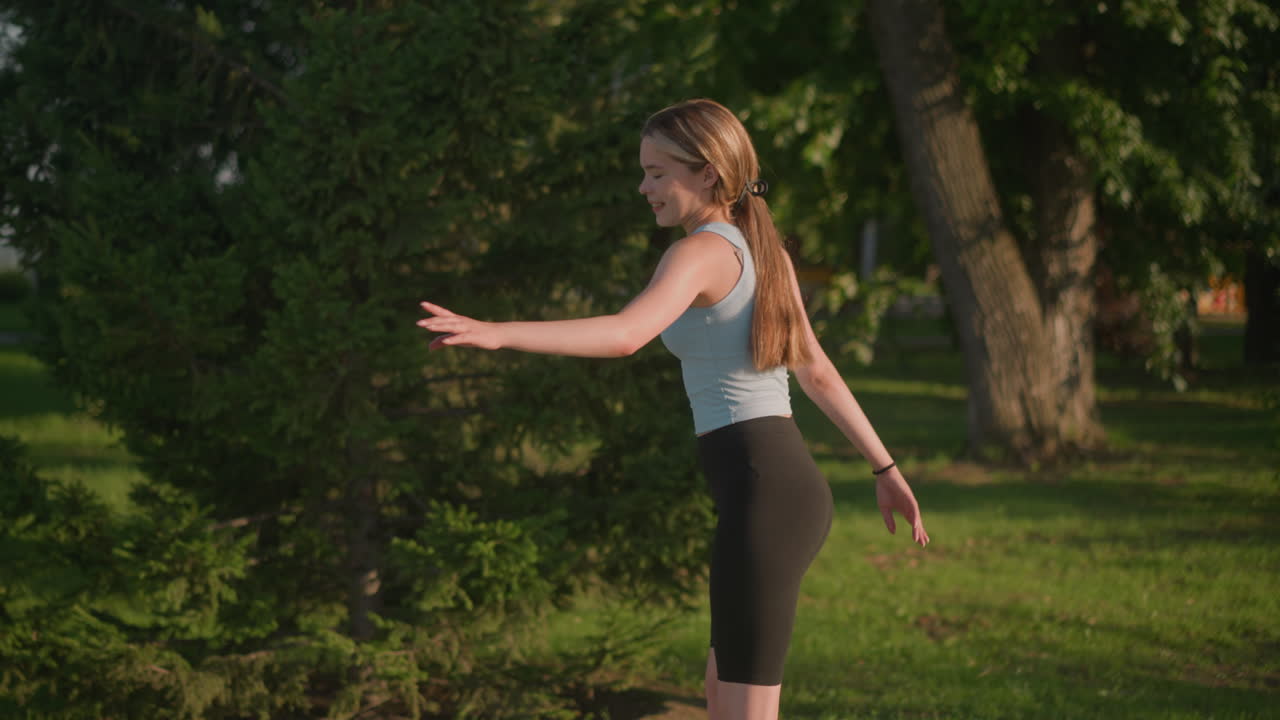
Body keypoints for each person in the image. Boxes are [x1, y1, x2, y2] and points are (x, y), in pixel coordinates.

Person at [417, 98, 929, 720]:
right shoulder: (760, 248)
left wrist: (499, 331)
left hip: (764, 490)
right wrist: (885, 469)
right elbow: (814, 368)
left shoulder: (701, 253)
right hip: (773, 488)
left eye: (658, 173)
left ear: (708, 172)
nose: (644, 187)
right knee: (723, 694)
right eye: (644, 171)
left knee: (742, 709)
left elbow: (626, 333)